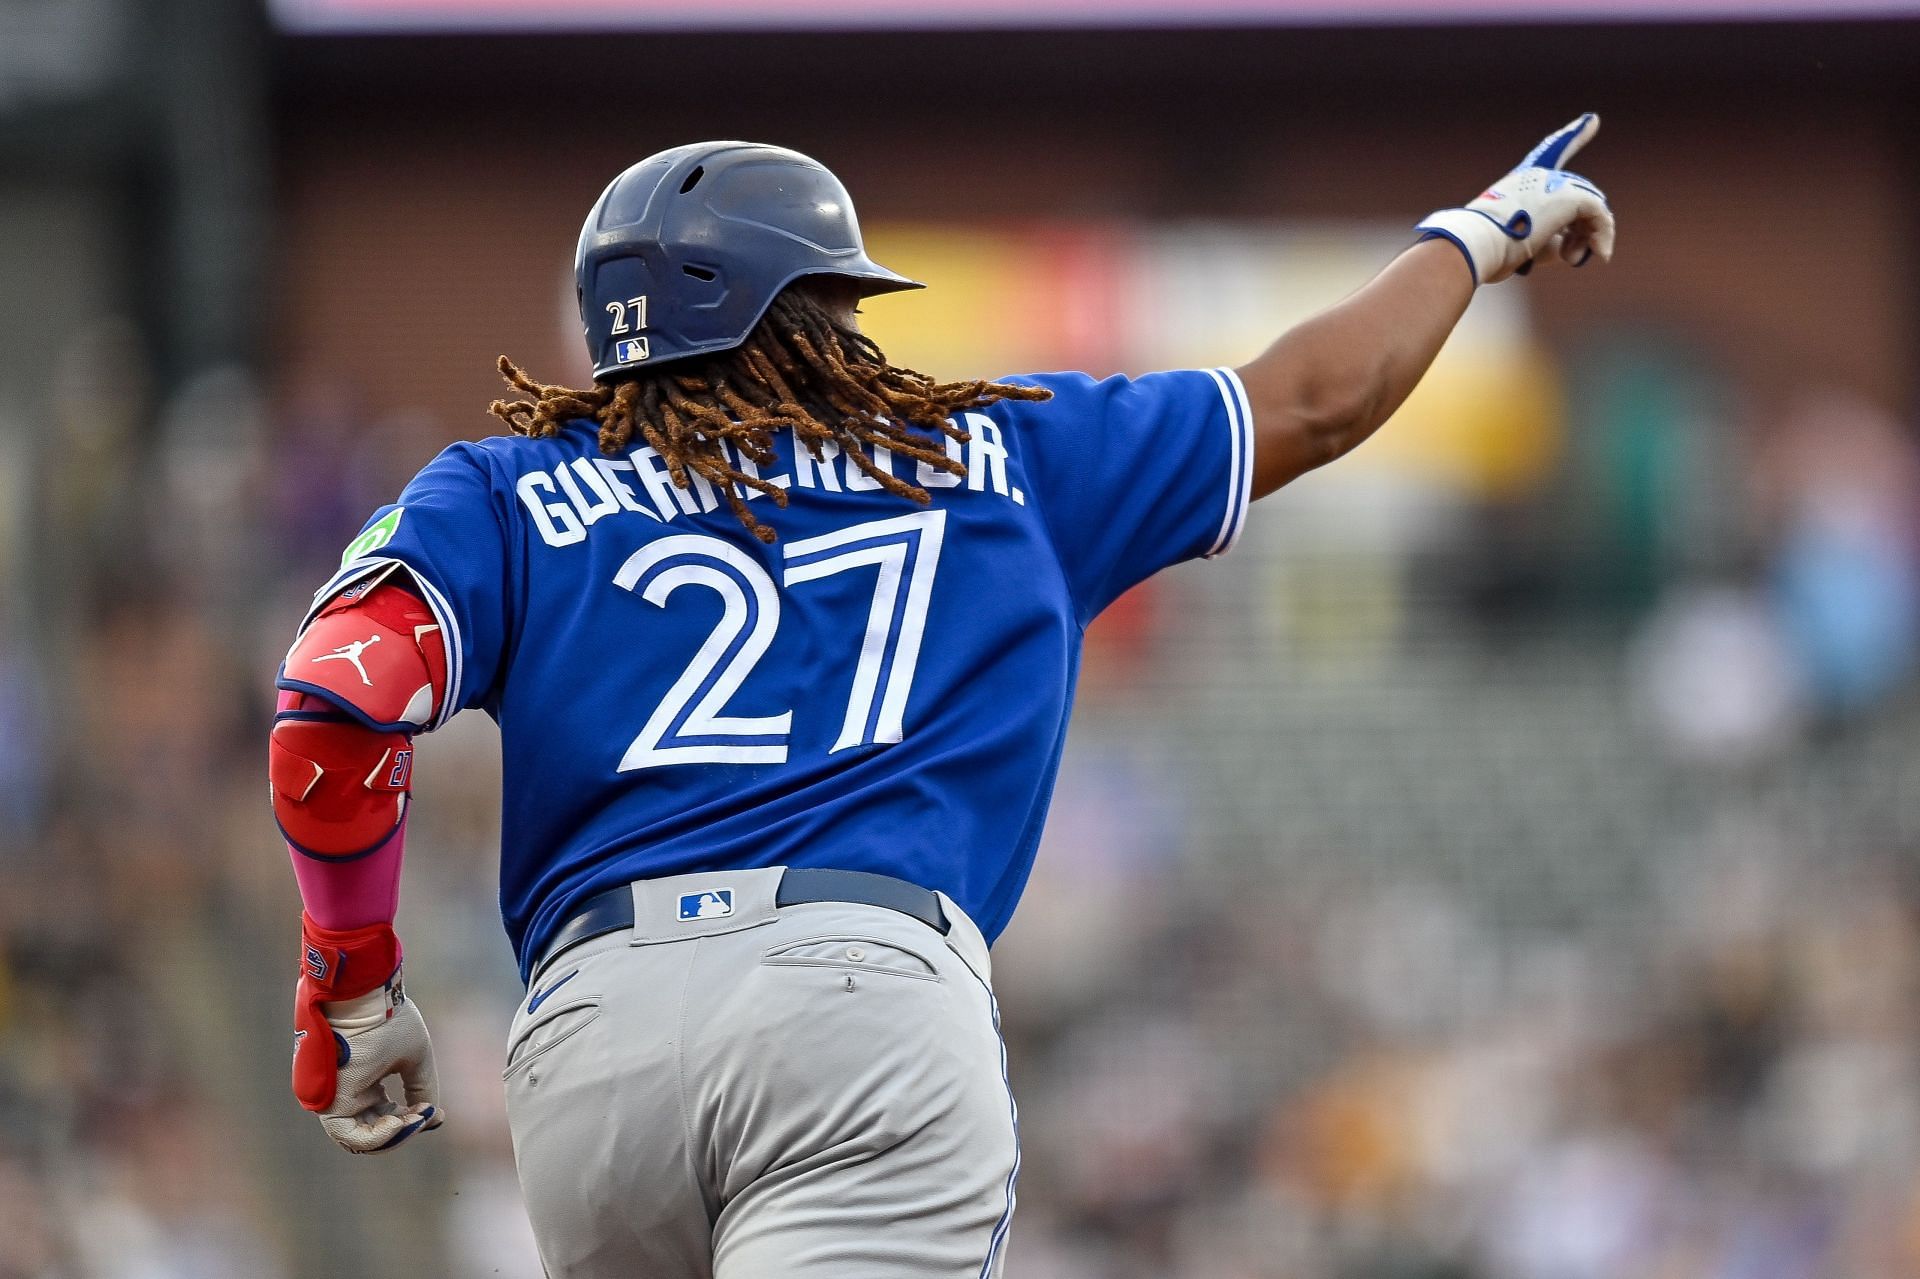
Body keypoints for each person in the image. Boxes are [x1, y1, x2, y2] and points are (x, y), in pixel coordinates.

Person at [268, 122, 1613, 1277]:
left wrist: (356, 981)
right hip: (861, 1009)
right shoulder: (999, 453)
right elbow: (1321, 397)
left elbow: (332, 709)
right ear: (811, 310)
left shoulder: (502, 492)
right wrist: (1475, 236)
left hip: (594, 1047)